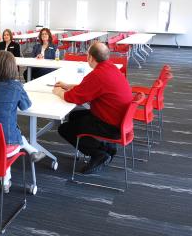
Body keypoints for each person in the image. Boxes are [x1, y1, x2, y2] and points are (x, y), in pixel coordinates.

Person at [0, 51, 45, 193]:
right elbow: (25, 106)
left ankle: (5, 181)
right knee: (10, 135)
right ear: (12, 68)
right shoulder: (16, 86)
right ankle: (32, 151)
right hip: (7, 143)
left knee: (4, 134)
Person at [52, 42, 132, 174]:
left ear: (90, 58)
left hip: (111, 126)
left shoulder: (98, 75)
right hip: (120, 120)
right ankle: (106, 148)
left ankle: (98, 153)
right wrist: (68, 85)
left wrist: (59, 92)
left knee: (64, 129)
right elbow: (88, 88)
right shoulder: (110, 68)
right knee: (73, 116)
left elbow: (73, 98)